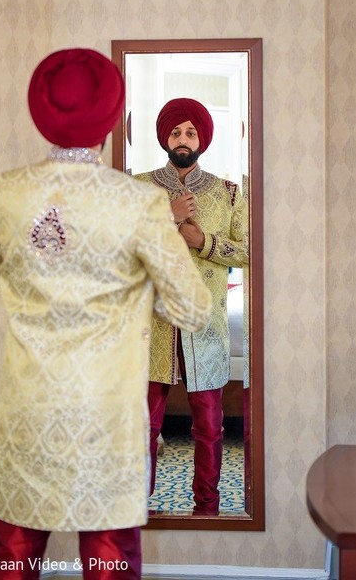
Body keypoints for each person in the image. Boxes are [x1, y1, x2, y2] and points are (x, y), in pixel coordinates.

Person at [0, 52, 212, 580]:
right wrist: (140, 289)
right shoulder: (140, 204)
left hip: (27, 417)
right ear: (113, 119)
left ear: (40, 114)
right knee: (109, 567)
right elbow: (191, 307)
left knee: (10, 562)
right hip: (107, 424)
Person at [134, 97, 249, 516]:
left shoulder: (227, 192)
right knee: (144, 426)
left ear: (203, 139)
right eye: (177, 131)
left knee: (209, 427)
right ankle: (136, 510)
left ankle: (208, 508)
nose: (183, 139)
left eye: (191, 132)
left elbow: (250, 250)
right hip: (153, 325)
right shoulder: (139, 187)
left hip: (206, 326)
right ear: (165, 136)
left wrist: (203, 242)